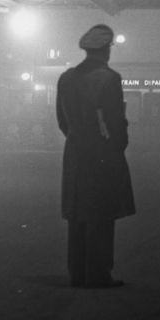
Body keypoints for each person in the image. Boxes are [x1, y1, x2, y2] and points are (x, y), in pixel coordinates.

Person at [56, 24, 136, 288]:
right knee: (102, 214)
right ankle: (99, 273)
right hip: (101, 153)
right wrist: (117, 147)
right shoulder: (109, 79)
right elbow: (115, 122)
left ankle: (77, 273)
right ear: (106, 50)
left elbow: (62, 121)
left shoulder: (66, 78)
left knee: (77, 214)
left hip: (75, 152)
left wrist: (77, 139)